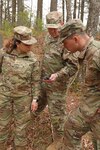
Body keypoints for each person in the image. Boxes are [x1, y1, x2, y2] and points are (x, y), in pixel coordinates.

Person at [48, 19, 100, 150]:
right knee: (71, 128)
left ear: (75, 39)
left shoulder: (97, 53)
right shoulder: (87, 53)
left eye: (65, 42)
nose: (64, 46)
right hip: (89, 109)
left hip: (97, 112)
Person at [32, 11, 79, 148]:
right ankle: (30, 122)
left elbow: (73, 66)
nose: (52, 31)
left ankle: (59, 139)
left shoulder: (67, 41)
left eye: (55, 28)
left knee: (57, 114)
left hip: (58, 85)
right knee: (38, 103)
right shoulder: (47, 37)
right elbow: (46, 57)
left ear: (62, 24)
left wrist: (58, 75)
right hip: (44, 81)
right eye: (49, 27)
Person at [0, 26, 41, 150]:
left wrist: (35, 99)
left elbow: (35, 81)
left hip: (23, 98)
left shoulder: (33, 59)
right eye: (27, 45)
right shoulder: (3, 54)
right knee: (2, 125)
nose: (30, 47)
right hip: (4, 96)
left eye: (31, 44)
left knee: (21, 128)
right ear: (17, 43)